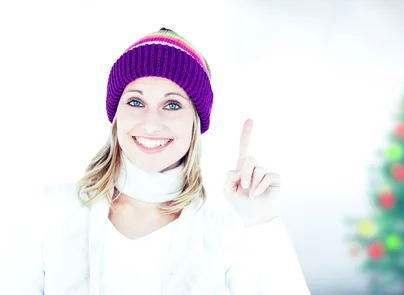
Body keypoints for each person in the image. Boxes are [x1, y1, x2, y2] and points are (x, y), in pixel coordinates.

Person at [2, 28, 311, 295]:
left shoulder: (227, 226)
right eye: (136, 101)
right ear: (116, 115)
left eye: (173, 104)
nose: (152, 121)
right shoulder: (50, 210)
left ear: (195, 121)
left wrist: (260, 222)